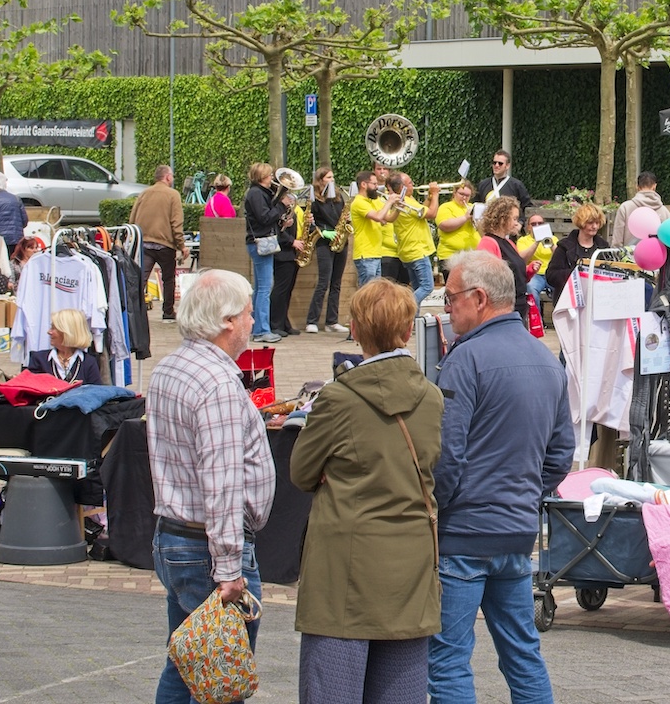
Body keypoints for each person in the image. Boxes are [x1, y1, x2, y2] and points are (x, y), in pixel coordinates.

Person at [428, 251, 574, 704]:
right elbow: (561, 454)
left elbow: (447, 456)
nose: (446, 308)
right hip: (515, 533)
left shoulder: (464, 360)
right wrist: (525, 495)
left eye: (450, 299)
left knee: (447, 661)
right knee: (522, 654)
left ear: (478, 298)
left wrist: (440, 508)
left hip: (464, 535)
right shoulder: (547, 360)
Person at [291, 277, 444, 704]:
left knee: (331, 691)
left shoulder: (338, 398)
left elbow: (303, 472)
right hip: (411, 563)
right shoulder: (431, 397)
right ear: (408, 331)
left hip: (345, 566)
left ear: (355, 330)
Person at [147, 269, 275, 704]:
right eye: (246, 313)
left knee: (185, 662)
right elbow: (221, 482)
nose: (252, 320)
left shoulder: (170, 366)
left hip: (176, 535)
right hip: (207, 546)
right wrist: (228, 568)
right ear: (225, 321)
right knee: (221, 679)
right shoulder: (217, 381)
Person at [131, 164, 189, 325]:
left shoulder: (144, 193)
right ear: (168, 177)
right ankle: (168, 312)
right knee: (168, 279)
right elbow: (176, 222)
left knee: (140, 278)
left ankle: (134, 311)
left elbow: (133, 217)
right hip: (165, 244)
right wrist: (181, 245)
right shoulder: (173, 195)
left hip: (145, 242)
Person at [244, 162, 287, 344]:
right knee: (264, 288)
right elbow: (264, 217)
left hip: (263, 241)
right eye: (269, 175)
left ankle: (255, 327)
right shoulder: (256, 194)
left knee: (260, 287)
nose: (272, 179)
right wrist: (280, 207)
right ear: (262, 177)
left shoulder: (260, 193)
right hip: (260, 243)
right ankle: (262, 330)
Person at [388, 171, 440, 308]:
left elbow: (422, 211)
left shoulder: (404, 201)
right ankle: (405, 308)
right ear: (402, 188)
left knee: (417, 287)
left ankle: (413, 323)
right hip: (417, 251)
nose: (413, 185)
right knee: (427, 287)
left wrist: (429, 198)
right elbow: (432, 213)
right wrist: (435, 194)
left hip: (408, 252)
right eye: (410, 183)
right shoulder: (406, 202)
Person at [474, 196, 530, 324]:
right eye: (514, 219)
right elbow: (486, 280)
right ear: (503, 219)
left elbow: (516, 272)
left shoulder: (509, 243)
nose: (517, 223)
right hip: (504, 310)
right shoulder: (488, 243)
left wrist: (530, 270)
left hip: (519, 305)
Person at [305, 167, 347, 334]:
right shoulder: (315, 199)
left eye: (333, 176)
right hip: (323, 241)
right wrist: (323, 231)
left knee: (336, 283)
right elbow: (310, 222)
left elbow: (342, 216)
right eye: (328, 177)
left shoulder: (338, 197)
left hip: (340, 241)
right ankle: (312, 320)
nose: (332, 179)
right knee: (324, 282)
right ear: (320, 180)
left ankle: (332, 321)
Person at [543, 202, 608, 306]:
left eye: (597, 223)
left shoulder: (604, 248)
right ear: (581, 222)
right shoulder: (564, 247)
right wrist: (578, 274)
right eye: (590, 223)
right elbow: (551, 276)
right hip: (569, 303)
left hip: (597, 303)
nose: (595, 226)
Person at [269, 169, 309, 336]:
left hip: (291, 253)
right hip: (283, 252)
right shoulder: (277, 207)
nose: (289, 197)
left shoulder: (287, 207)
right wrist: (292, 241)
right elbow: (276, 230)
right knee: (280, 289)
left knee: (288, 289)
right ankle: (275, 324)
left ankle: (284, 322)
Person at [25, 308, 100, 384]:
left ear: (67, 332)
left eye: (53, 328)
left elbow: (96, 393)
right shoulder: (39, 359)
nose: (49, 332)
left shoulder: (88, 362)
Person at [351, 169, 397, 289]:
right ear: (364, 184)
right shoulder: (358, 202)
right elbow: (378, 217)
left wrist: (398, 208)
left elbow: (389, 218)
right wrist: (390, 202)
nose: (377, 187)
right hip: (365, 254)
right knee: (367, 292)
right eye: (374, 184)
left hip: (376, 253)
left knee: (375, 293)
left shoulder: (374, 201)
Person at [609, 171, 670, 247]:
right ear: (654, 186)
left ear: (637, 187)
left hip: (629, 257)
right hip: (657, 256)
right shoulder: (664, 211)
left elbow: (617, 239)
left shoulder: (625, 207)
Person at [434, 181, 480, 272]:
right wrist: (465, 218)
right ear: (454, 193)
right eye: (461, 194)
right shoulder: (446, 207)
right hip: (451, 256)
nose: (464, 197)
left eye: (467, 195)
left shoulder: (473, 207)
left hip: (472, 256)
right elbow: (444, 225)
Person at [473, 149, 533, 214]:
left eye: (500, 163)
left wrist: (520, 222)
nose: (496, 165)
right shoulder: (483, 184)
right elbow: (475, 204)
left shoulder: (516, 185)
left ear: (507, 166)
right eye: (494, 163)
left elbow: (526, 206)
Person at [517, 215, 556, 299]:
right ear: (528, 227)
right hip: (534, 274)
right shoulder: (523, 240)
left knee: (563, 289)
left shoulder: (553, 238)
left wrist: (551, 244)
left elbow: (560, 256)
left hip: (551, 273)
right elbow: (522, 260)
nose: (537, 226)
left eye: (540, 223)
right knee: (531, 288)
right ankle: (536, 312)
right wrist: (536, 242)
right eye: (533, 224)